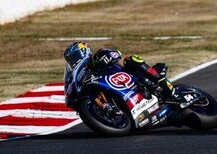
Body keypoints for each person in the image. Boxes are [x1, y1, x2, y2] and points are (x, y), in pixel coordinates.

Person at [63, 42, 193, 107]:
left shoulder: (97, 57)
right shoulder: (83, 75)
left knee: (131, 60)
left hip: (131, 78)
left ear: (82, 52)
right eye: (70, 60)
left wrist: (107, 58)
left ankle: (165, 85)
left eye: (73, 57)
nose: (72, 62)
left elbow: (116, 53)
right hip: (117, 90)